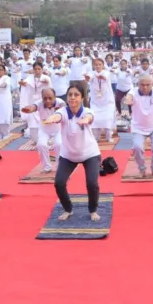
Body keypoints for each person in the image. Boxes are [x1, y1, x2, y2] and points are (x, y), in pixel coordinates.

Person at [43, 85, 101, 222]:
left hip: (90, 154)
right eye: (70, 95)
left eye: (76, 95)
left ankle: (93, 210)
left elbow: (89, 117)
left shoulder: (86, 111)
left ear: (82, 98)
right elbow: (58, 116)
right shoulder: (63, 111)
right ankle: (68, 209)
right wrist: (53, 118)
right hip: (68, 155)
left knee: (92, 183)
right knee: (59, 182)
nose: (73, 97)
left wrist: (85, 120)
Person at [125, 75, 153, 177]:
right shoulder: (133, 92)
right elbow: (129, 97)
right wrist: (128, 100)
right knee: (137, 147)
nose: (145, 87)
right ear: (138, 85)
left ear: (152, 84)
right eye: (142, 85)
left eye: (148, 85)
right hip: (138, 127)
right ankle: (142, 168)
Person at [21, 88, 66, 173]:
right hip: (44, 129)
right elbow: (33, 107)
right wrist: (28, 109)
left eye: (50, 98)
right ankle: (47, 167)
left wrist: (61, 109)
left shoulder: (60, 102)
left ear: (55, 97)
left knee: (59, 144)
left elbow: (64, 106)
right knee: (41, 145)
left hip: (58, 129)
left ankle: (59, 166)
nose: (47, 101)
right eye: (45, 98)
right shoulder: (39, 103)